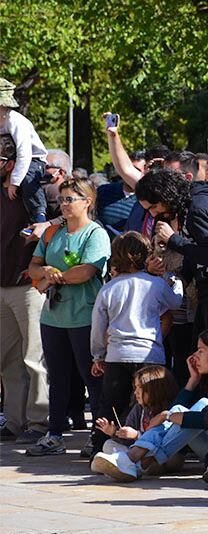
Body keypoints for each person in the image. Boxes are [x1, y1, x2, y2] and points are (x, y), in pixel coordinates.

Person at [91, 327, 208, 481]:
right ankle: (135, 461)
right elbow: (176, 409)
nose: (195, 356)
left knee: (199, 406)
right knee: (181, 411)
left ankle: (134, 459)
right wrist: (192, 381)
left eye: (201, 350)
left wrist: (167, 415)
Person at [24, 178, 111, 458]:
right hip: (53, 317)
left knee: (92, 377)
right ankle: (54, 434)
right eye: (61, 199)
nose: (63, 204)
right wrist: (45, 272)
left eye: (69, 199)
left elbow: (86, 272)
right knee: (58, 377)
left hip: (85, 316)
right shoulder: (53, 232)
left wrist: (52, 277)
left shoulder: (95, 234)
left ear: (87, 201)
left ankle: (98, 435)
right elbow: (33, 267)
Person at [89, 232, 183, 453]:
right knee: (154, 405)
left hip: (117, 355)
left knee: (111, 405)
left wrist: (98, 355)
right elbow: (175, 302)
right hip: (150, 355)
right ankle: (153, 446)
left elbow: (98, 326)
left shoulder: (109, 288)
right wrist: (174, 281)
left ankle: (100, 447)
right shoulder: (155, 285)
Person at [136, 165, 208, 335]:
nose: (152, 214)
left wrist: (173, 239)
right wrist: (184, 277)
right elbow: (195, 250)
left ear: (165, 196)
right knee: (202, 349)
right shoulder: (188, 207)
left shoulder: (197, 208)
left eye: (153, 207)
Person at [0, 134, 49, 444]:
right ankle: (14, 421)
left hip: (27, 286)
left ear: (13, 163)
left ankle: (39, 421)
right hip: (2, 286)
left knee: (35, 358)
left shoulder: (29, 191)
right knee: (8, 360)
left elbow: (54, 219)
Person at [90, 365, 181, 476]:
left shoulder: (170, 411)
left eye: (140, 388)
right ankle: (129, 465)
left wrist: (136, 435)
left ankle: (125, 465)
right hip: (141, 455)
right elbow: (128, 441)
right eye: (135, 388)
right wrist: (114, 432)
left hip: (161, 457)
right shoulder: (139, 409)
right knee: (108, 444)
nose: (135, 392)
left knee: (173, 458)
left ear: (154, 390)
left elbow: (166, 440)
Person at [0, 79, 49, 222]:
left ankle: (39, 216)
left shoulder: (15, 121)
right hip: (8, 159)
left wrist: (14, 181)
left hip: (33, 159)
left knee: (28, 178)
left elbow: (24, 154)